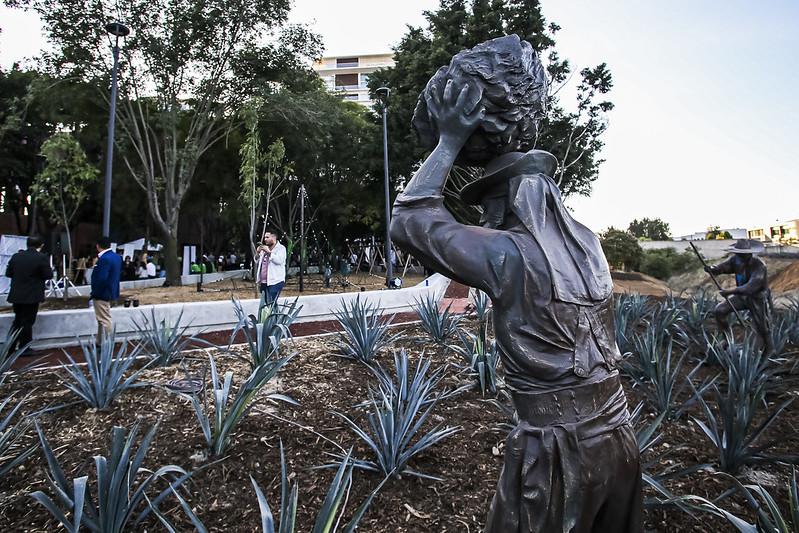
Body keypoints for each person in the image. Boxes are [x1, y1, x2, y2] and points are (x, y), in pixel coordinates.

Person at [390, 36, 642, 532]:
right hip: (619, 440)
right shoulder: (591, 244)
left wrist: (449, 142)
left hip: (555, 453)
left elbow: (410, 220)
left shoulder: (510, 255)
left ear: (505, 200)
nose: (484, 218)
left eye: (486, 205)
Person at [704, 239, 772, 350]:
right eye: (739, 254)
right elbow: (723, 267)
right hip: (741, 296)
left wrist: (729, 292)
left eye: (742, 254)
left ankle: (769, 350)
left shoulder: (759, 266)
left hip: (756, 298)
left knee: (763, 326)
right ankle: (726, 339)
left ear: (749, 253)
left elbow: (750, 287)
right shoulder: (736, 260)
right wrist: (712, 269)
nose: (740, 256)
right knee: (720, 310)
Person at [4, 235, 52, 356]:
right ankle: (24, 348)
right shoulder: (41, 258)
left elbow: (8, 273)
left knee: (18, 320)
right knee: (27, 322)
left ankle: (10, 346)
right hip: (32, 295)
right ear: (41, 245)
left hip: (17, 295)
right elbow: (48, 275)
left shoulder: (16, 256)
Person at [90, 236, 122, 343]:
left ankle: (105, 343)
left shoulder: (104, 259)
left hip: (102, 293)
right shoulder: (116, 257)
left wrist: (95, 292)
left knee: (104, 319)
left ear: (98, 246)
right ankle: (99, 342)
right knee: (102, 319)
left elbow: (102, 278)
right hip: (111, 292)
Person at [256, 229, 287, 307]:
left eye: (267, 237)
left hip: (275, 281)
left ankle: (275, 318)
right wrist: (258, 252)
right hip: (264, 281)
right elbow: (257, 261)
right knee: (267, 302)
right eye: (265, 237)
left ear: (273, 238)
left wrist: (269, 253)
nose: (265, 239)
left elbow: (279, 260)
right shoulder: (264, 249)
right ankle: (273, 317)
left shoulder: (281, 248)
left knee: (271, 302)